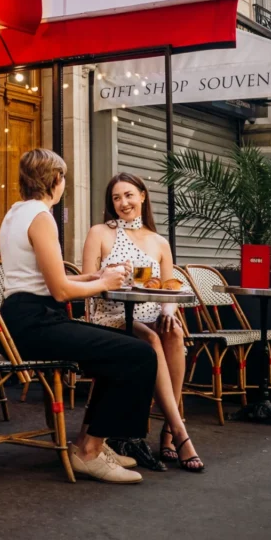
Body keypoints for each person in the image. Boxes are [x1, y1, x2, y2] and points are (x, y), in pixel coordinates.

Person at [0, 148, 157, 484]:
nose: (64, 184)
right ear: (55, 179)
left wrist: (90, 277)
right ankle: (88, 452)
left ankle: (92, 444)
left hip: (23, 318)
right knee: (138, 353)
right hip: (36, 324)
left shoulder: (15, 213)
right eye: (64, 178)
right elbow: (59, 292)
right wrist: (104, 281)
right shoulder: (41, 218)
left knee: (120, 350)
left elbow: (41, 279)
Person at [82, 172, 204, 472]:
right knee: (150, 339)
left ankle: (166, 430)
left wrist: (167, 312)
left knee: (173, 333)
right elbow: (86, 281)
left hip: (148, 314)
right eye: (116, 198)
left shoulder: (159, 242)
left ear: (142, 196)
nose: (123, 202)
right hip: (109, 315)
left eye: (128, 195)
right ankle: (179, 431)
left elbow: (166, 286)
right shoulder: (99, 232)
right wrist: (107, 275)